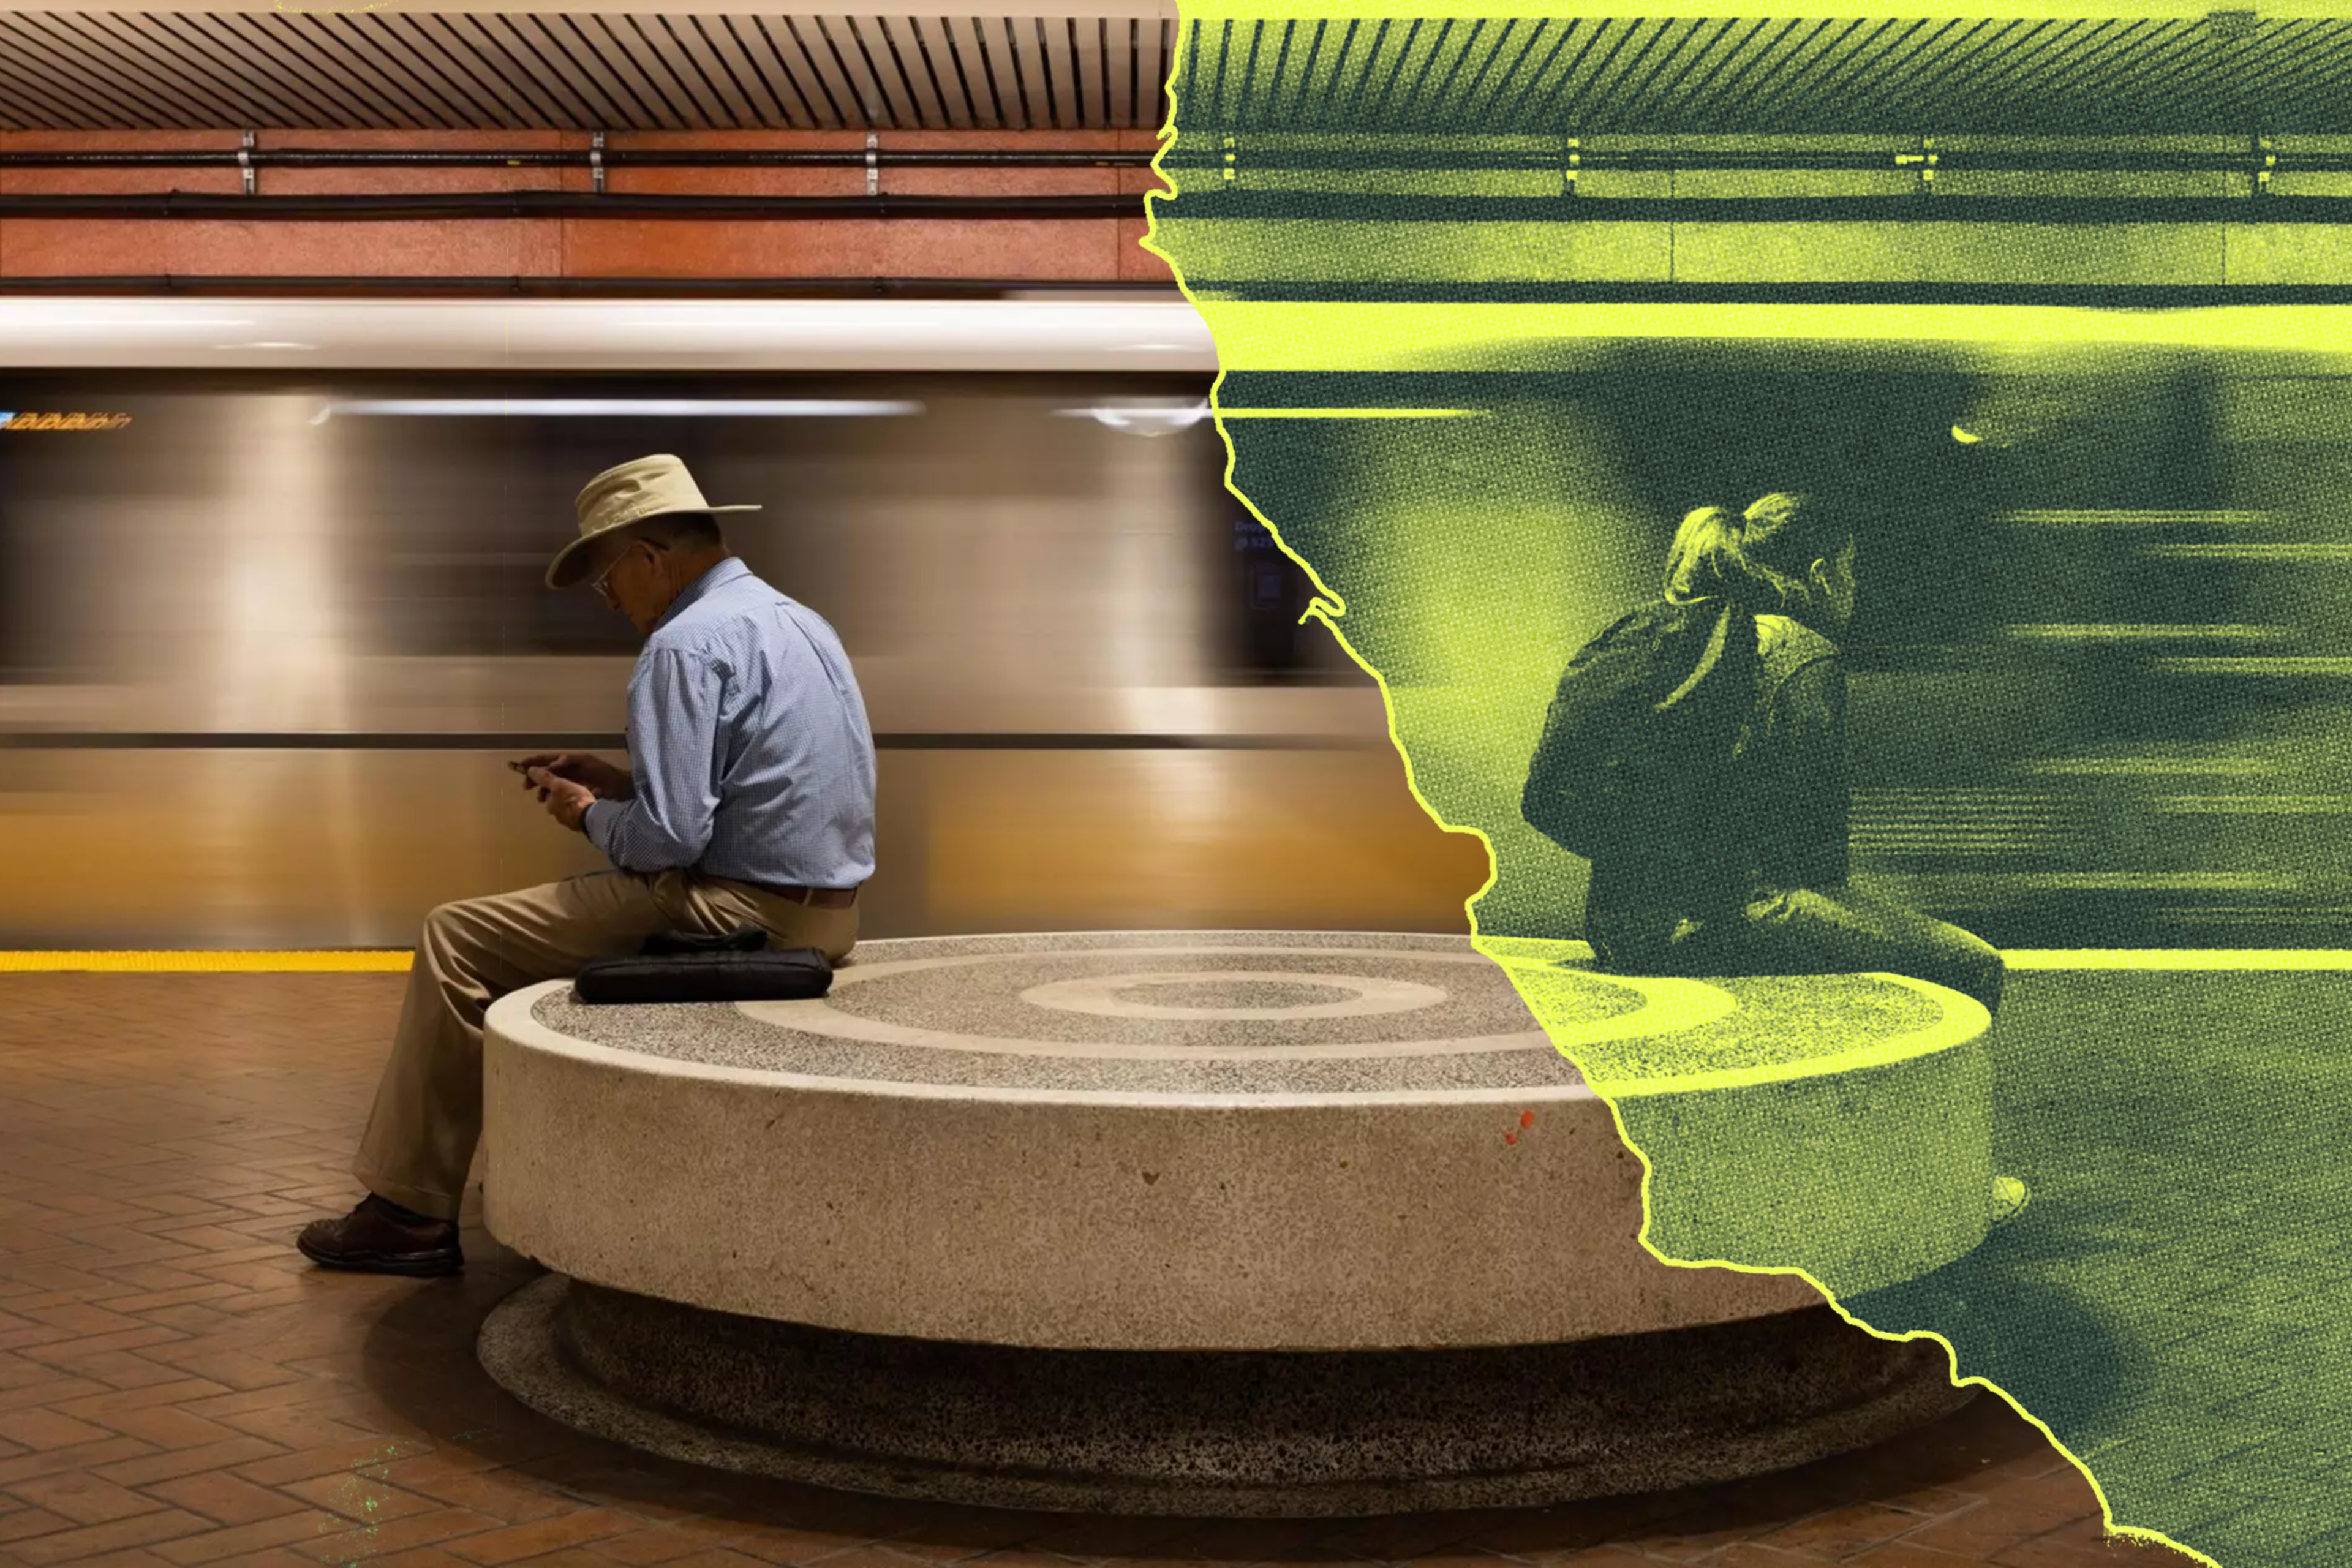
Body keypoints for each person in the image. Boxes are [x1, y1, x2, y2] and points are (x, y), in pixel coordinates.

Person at [296, 453, 878, 1276]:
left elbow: (672, 843)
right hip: (831, 911)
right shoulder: (795, 620)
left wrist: (588, 813)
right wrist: (627, 784)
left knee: (455, 936)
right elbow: (757, 787)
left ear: (650, 556)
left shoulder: (682, 645)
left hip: (743, 914)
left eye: (610, 582)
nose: (613, 604)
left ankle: (410, 1212)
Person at [1566, 491, 2027, 1225]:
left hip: (1625, 916)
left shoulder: (1686, 630)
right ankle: (1936, 1188)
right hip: (1729, 913)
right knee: (1967, 966)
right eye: (1850, 573)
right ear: (1820, 573)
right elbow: (1813, 860)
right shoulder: (1806, 657)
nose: (1855, 589)